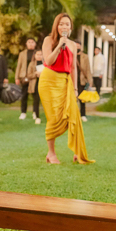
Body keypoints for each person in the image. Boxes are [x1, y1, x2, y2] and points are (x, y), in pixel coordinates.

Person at [38, 13, 93, 164]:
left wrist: (75, 89)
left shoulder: (73, 45)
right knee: (54, 118)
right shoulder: (49, 40)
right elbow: (48, 61)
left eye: (67, 24)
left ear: (70, 28)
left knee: (73, 114)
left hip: (65, 81)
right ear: (56, 26)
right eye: (61, 24)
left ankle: (77, 152)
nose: (64, 26)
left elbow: (73, 68)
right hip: (49, 81)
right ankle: (51, 153)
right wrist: (59, 46)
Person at [15, 38, 37, 119]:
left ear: (35, 44)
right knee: (24, 95)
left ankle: (35, 112)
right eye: (29, 42)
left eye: (32, 42)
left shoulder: (37, 53)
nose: (31, 44)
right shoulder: (22, 54)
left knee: (35, 95)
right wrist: (17, 77)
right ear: (26, 44)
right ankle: (23, 112)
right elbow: (19, 66)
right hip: (24, 76)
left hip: (34, 76)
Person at [76, 42, 93, 122]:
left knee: (82, 98)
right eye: (76, 45)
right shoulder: (71, 55)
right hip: (73, 80)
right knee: (72, 99)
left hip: (82, 80)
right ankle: (73, 115)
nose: (77, 47)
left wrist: (90, 80)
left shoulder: (85, 56)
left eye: (78, 45)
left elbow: (88, 69)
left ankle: (83, 115)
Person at [26, 49, 44, 124]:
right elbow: (29, 75)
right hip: (35, 84)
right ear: (35, 55)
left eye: (41, 54)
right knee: (36, 100)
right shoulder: (31, 64)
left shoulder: (46, 63)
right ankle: (37, 116)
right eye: (38, 54)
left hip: (44, 84)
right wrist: (35, 74)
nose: (39, 56)